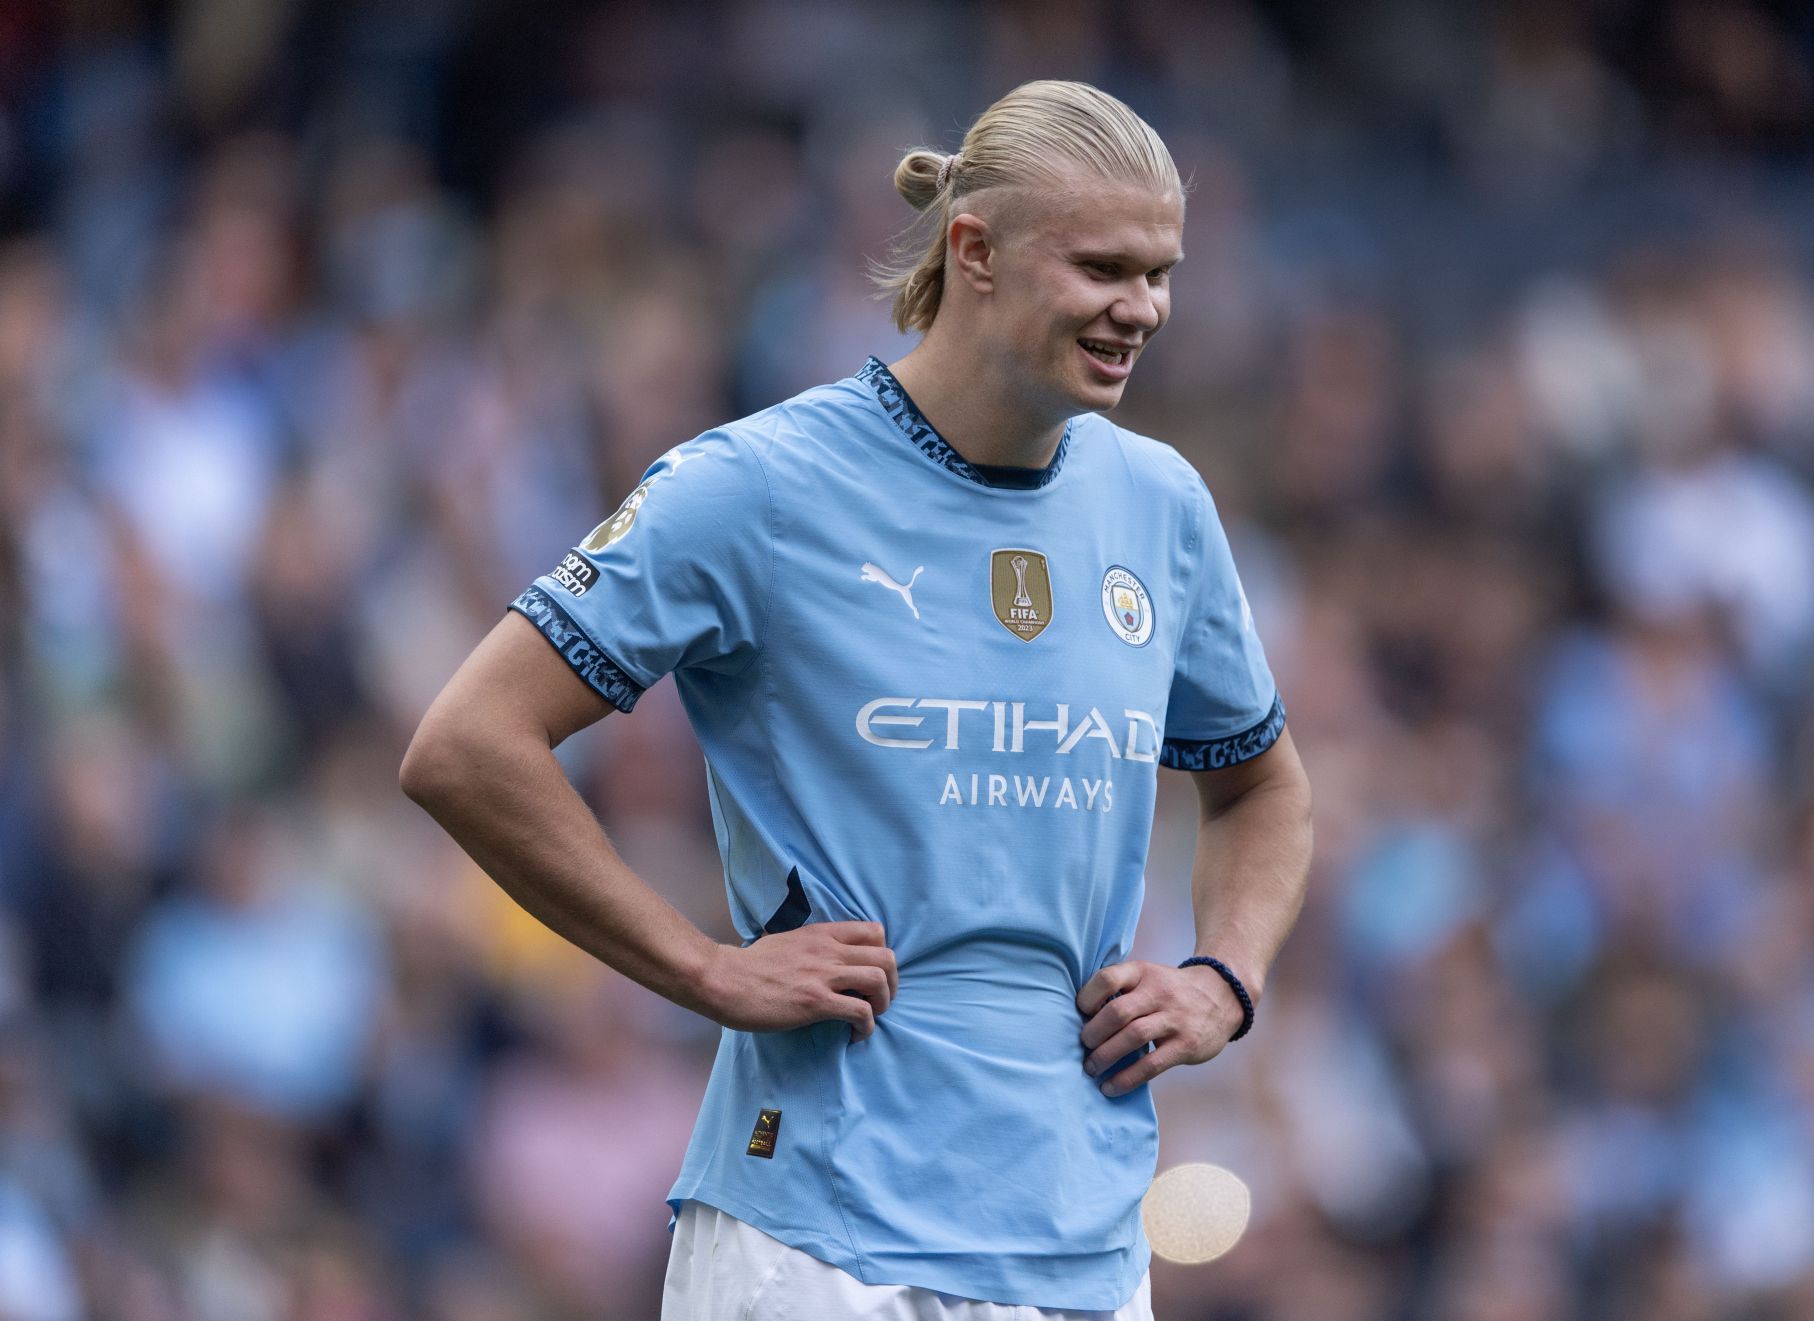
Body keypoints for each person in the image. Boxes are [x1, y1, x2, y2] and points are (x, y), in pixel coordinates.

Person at [400, 80, 1313, 1320]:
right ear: (973, 250)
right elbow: (466, 744)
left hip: (1084, 1246)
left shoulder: (1161, 505)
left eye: (1160, 273)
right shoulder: (757, 487)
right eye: (1104, 267)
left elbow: (1259, 783)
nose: (1140, 309)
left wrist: (1225, 978)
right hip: (815, 1241)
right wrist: (706, 969)